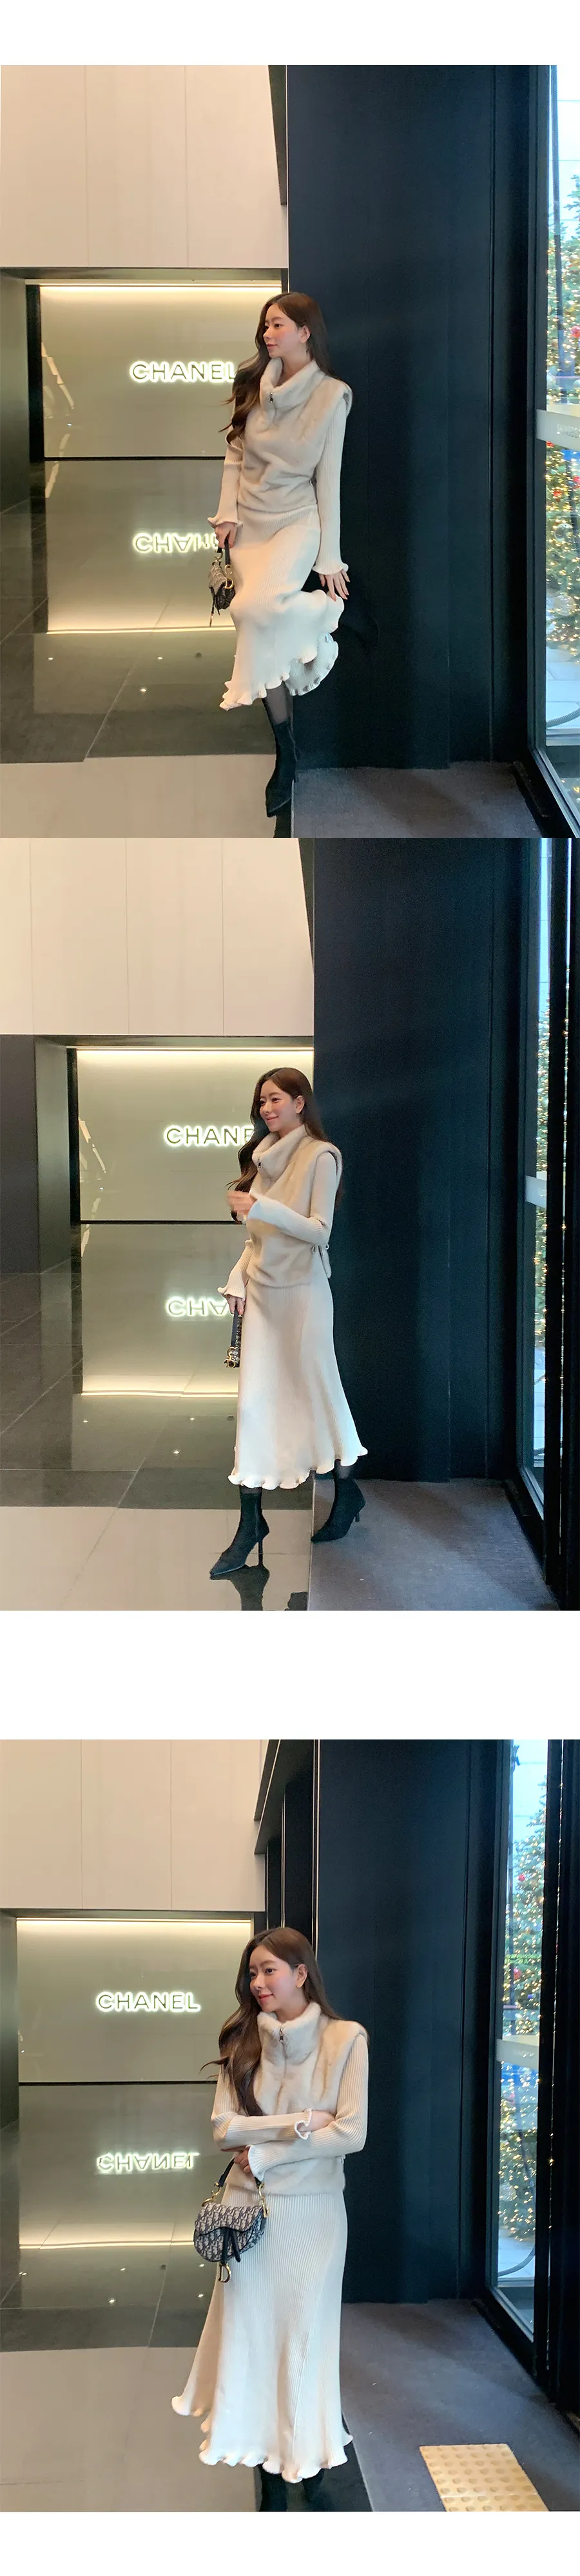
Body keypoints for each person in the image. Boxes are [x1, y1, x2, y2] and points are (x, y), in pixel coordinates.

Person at [171, 1926, 369, 2507]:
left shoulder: (346, 2039)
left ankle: (305, 2452)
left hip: (313, 2215)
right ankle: (259, 2453)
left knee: (305, 2339)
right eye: (252, 1973)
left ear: (301, 1973)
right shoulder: (241, 2040)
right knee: (251, 2334)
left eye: (269, 1970)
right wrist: (303, 2121)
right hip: (246, 2213)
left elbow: (352, 2133)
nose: (258, 1982)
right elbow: (222, 2129)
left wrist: (265, 2153)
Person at [209, 1066, 366, 1578]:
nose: (267, 1108)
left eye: (275, 1099)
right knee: (254, 1404)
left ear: (300, 1102)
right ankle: (250, 1522)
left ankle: (346, 1490)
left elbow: (320, 1232)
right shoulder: (263, 1158)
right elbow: (258, 1239)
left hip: (303, 1296)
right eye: (262, 1101)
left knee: (318, 1393)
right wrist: (237, 1276)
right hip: (262, 1293)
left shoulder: (322, 1155)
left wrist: (261, 1206)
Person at [209, 292, 352, 816]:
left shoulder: (332, 396)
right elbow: (235, 455)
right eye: (266, 326)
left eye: (277, 325)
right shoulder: (252, 384)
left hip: (296, 523)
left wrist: (330, 560)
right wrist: (226, 514)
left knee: (255, 610)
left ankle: (324, 616)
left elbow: (328, 481)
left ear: (305, 332)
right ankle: (286, 753)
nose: (267, 334)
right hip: (249, 524)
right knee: (255, 627)